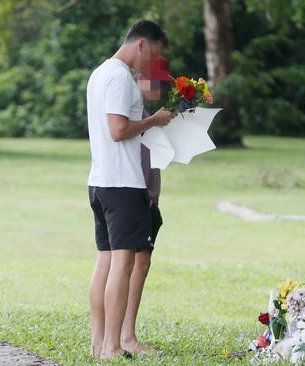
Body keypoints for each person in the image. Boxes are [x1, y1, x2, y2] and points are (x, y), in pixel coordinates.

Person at [86, 19, 176, 360]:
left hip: (99, 182)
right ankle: (111, 345)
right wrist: (156, 119)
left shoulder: (99, 73)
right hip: (123, 185)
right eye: (152, 54)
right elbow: (119, 129)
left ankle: (98, 343)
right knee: (121, 267)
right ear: (141, 44)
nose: (151, 64)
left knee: (105, 265)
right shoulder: (121, 77)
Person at [119, 56, 171, 355]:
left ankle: (125, 333)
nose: (156, 88)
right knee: (128, 264)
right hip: (134, 195)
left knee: (140, 263)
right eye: (152, 81)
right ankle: (126, 336)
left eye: (160, 83)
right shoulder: (135, 113)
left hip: (149, 196)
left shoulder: (153, 113)